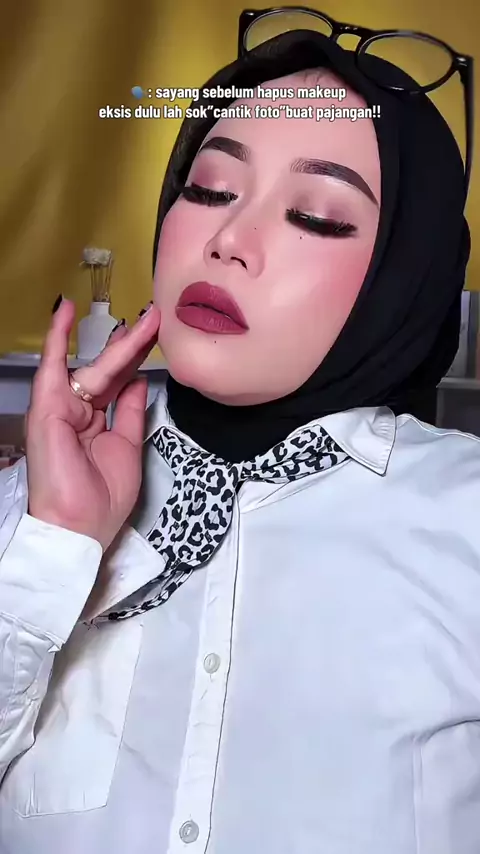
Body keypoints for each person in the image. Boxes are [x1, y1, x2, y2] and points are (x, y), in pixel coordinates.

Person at [0, 25, 476, 854]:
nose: (227, 241)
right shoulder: (32, 504)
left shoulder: (465, 516)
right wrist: (55, 544)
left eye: (315, 216)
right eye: (210, 189)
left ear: (404, 276)